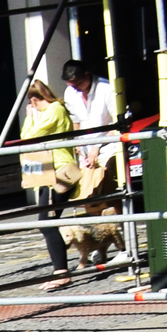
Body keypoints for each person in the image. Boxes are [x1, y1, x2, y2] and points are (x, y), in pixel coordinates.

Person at [60, 60, 124, 271]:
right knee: (91, 199)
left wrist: (98, 146)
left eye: (78, 83)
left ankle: (125, 243)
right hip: (86, 152)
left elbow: (116, 123)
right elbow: (77, 121)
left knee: (113, 195)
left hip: (108, 148)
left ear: (87, 75)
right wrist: (77, 146)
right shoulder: (71, 93)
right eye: (71, 84)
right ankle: (101, 246)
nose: (75, 88)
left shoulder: (106, 89)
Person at [19, 78, 81, 290]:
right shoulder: (55, 110)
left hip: (58, 172)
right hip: (51, 172)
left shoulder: (54, 110)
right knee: (47, 221)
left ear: (34, 100)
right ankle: (60, 269)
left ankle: (61, 272)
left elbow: (28, 136)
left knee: (47, 222)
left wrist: (29, 118)